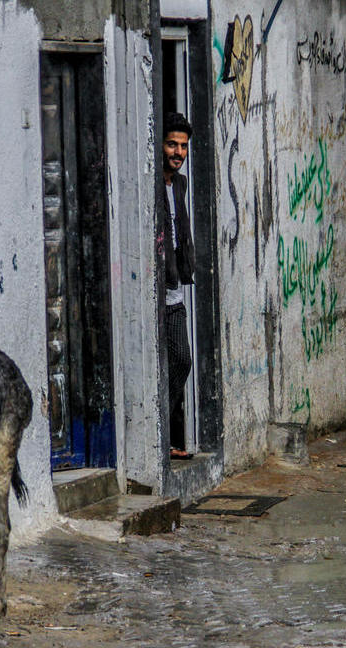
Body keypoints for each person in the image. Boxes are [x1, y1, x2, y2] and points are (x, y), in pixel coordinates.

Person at [159, 112, 196, 460]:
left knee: (181, 361)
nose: (178, 152)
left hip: (175, 290)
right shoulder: (152, 183)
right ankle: (160, 440)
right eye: (172, 144)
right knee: (170, 361)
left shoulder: (180, 184)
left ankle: (162, 435)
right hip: (155, 292)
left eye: (183, 146)